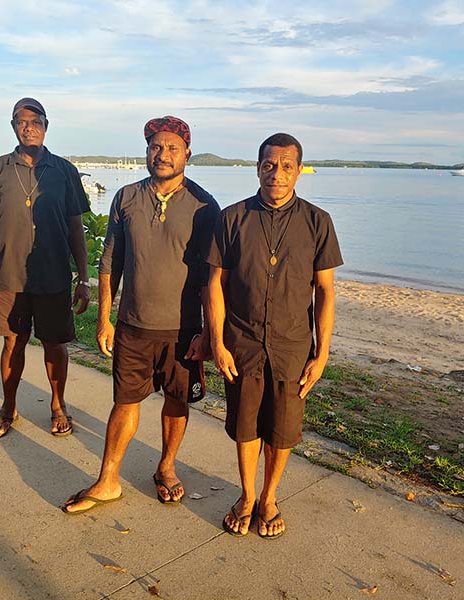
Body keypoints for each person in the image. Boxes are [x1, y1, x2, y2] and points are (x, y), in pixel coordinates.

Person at [63, 116, 220, 514]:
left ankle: (166, 467)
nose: (162, 154)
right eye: (155, 146)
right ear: (146, 151)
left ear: (187, 153)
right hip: (133, 325)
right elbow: (110, 262)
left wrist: (208, 332)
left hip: (183, 329)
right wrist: (104, 318)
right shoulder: (127, 197)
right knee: (125, 402)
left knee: (176, 401)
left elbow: (210, 277)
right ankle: (108, 480)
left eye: (171, 148)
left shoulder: (204, 206)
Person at [206, 133, 343, 538]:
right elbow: (214, 283)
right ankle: (247, 495)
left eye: (286, 167)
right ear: (258, 167)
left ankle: (269, 497)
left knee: (282, 429)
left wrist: (322, 356)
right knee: (246, 425)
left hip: (293, 346)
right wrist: (216, 341)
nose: (276, 175)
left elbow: (326, 291)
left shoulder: (317, 222)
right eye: (269, 165)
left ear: (299, 171)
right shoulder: (233, 218)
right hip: (243, 342)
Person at [0, 97, 91, 439]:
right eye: (21, 121)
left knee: (55, 345)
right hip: (8, 277)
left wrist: (83, 279)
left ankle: (58, 405)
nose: (29, 127)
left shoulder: (64, 171)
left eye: (36, 121)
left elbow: (75, 229)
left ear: (46, 126)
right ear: (13, 127)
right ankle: (8, 407)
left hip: (53, 277)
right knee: (12, 343)